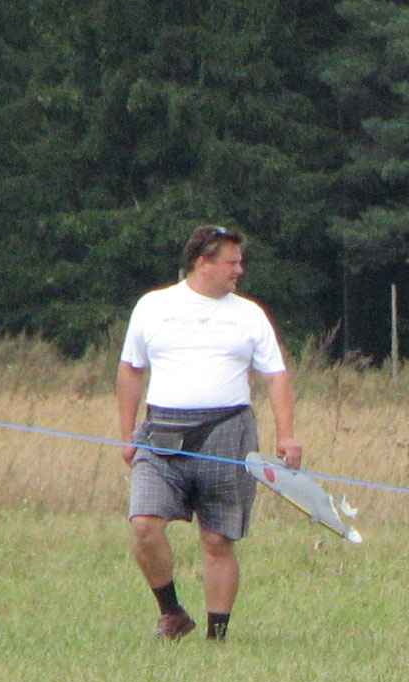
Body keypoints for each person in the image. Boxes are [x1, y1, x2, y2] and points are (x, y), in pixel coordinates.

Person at [117, 225, 301, 641]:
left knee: (217, 539)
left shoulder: (249, 314)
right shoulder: (153, 307)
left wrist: (286, 435)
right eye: (232, 262)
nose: (240, 270)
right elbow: (130, 369)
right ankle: (172, 613)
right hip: (161, 433)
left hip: (227, 432)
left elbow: (276, 376)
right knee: (144, 525)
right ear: (204, 263)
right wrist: (127, 433)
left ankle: (217, 637)